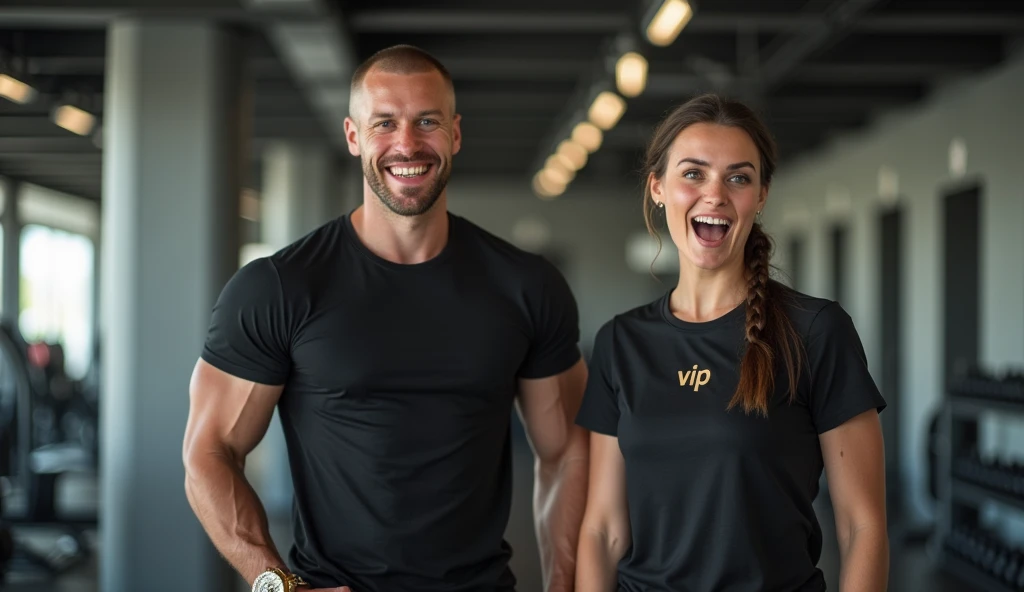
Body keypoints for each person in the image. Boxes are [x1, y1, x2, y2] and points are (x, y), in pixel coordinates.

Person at [182, 45, 590, 592]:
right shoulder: (279, 287)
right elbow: (209, 452)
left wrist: (564, 583)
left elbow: (566, 453)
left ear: (455, 134)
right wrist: (275, 583)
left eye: (428, 121)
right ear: (353, 136)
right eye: (385, 123)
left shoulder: (526, 285)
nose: (407, 143)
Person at [574, 94, 889, 592]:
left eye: (738, 178)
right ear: (658, 188)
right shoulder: (621, 342)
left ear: (761, 195)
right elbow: (603, 530)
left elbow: (862, 526)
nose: (715, 195)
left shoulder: (814, 331)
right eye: (693, 174)